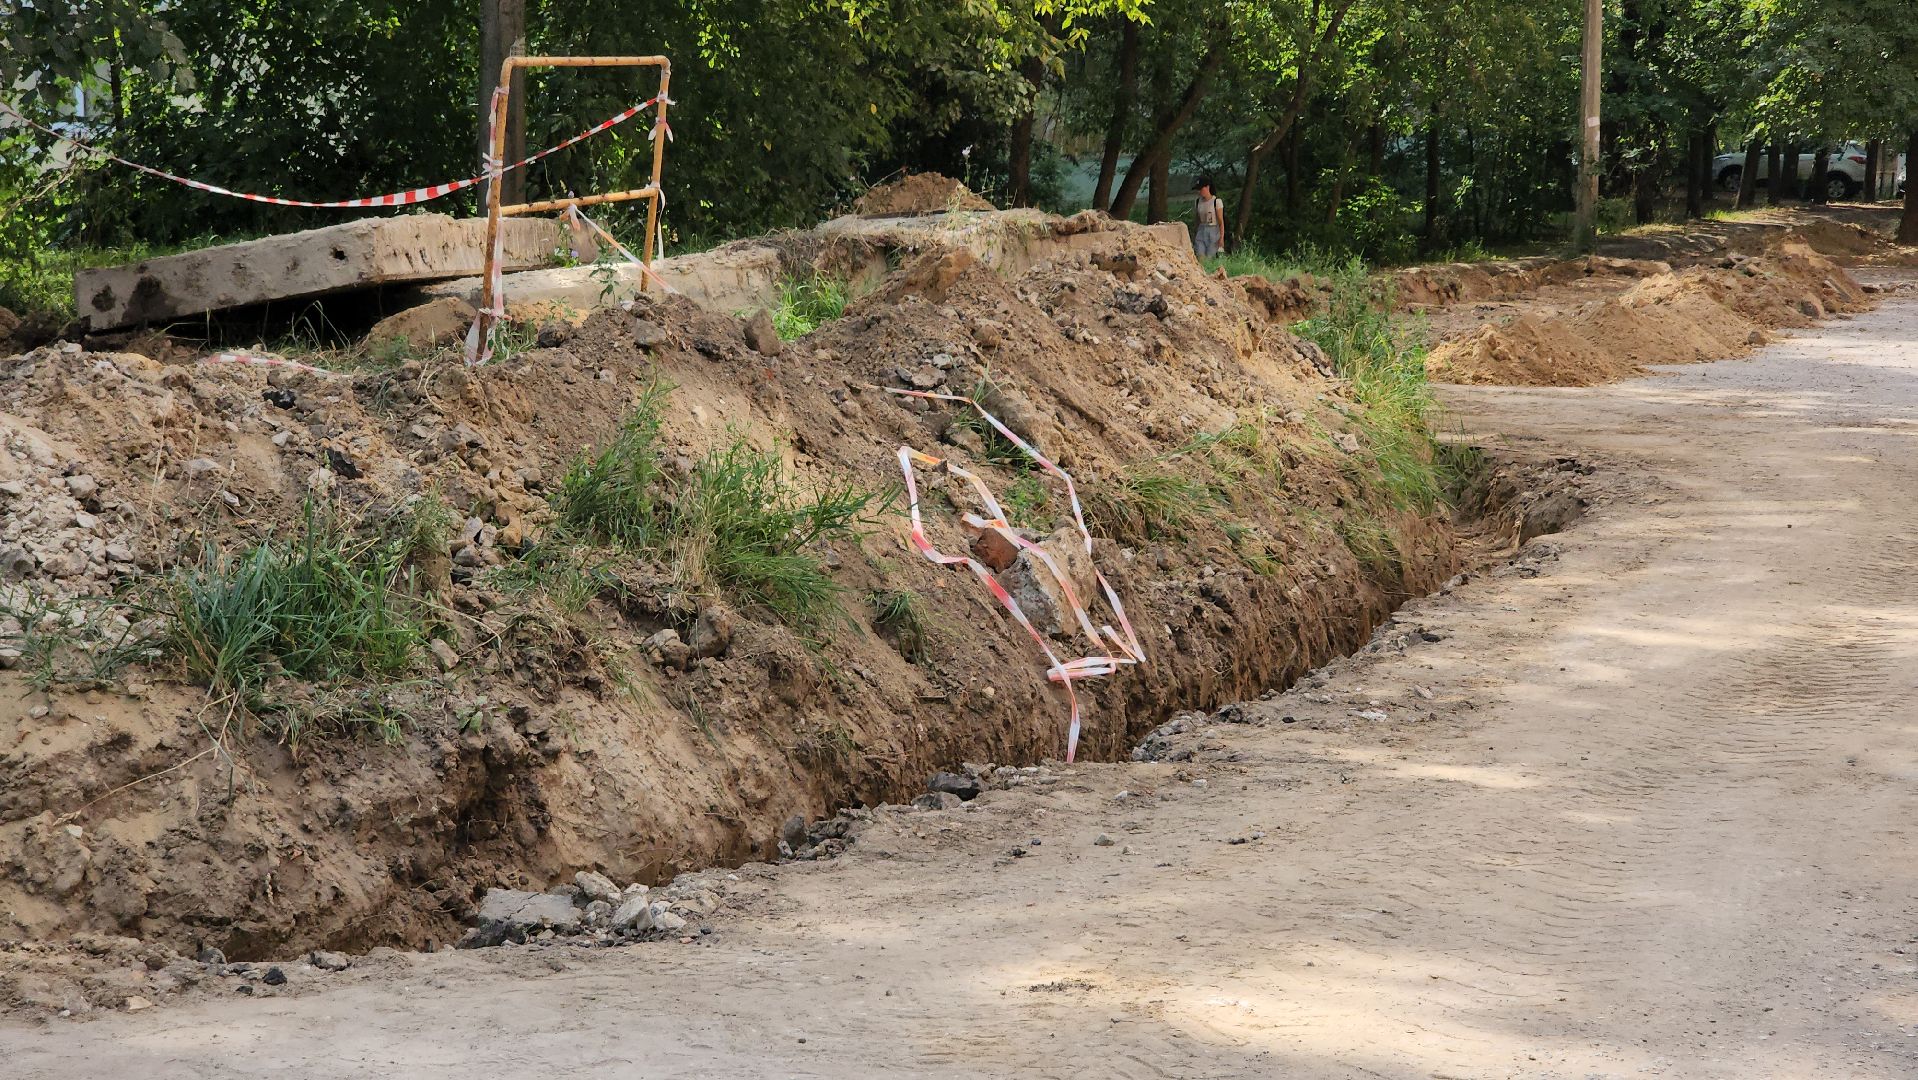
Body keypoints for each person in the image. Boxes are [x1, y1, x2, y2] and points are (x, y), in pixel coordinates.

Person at [1191, 177, 1224, 258]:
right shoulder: (1198, 202)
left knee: (1210, 257)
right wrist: (1195, 232)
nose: (1199, 192)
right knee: (1200, 255)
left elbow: (1220, 222)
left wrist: (1221, 238)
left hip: (1213, 230)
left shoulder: (1216, 202)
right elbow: (1197, 219)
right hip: (1201, 230)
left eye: (1201, 189)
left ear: (1207, 187)